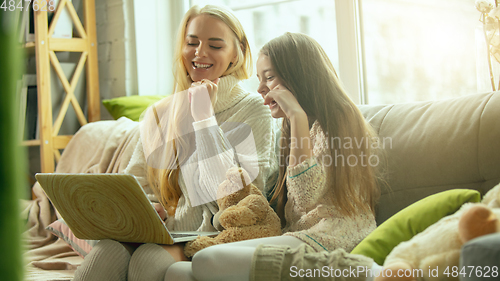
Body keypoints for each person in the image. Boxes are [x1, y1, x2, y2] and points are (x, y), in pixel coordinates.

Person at [73, 5, 278, 281]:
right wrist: (148, 207)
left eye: (215, 45)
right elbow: (133, 184)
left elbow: (241, 204)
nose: (199, 53)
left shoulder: (254, 109)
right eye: (191, 43)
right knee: (103, 255)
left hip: (211, 234)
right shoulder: (160, 112)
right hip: (159, 230)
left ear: (237, 52)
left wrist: (204, 120)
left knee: (147, 262)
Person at [168, 32, 384, 281]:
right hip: (300, 237)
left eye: (269, 78)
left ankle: (366, 272)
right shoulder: (292, 130)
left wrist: (297, 117)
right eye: (260, 79)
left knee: (207, 260)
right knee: (177, 273)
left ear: (299, 77)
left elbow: (305, 196)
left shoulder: (337, 120)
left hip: (332, 239)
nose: (260, 88)